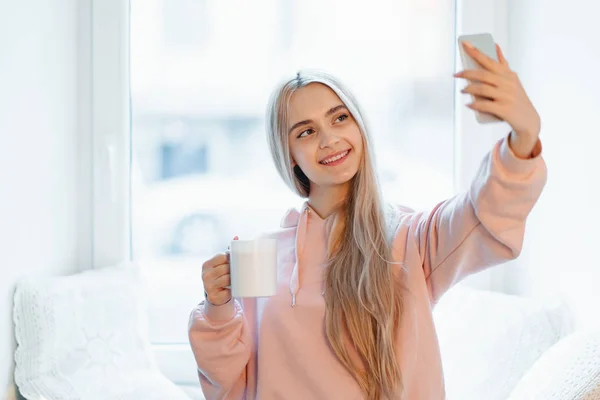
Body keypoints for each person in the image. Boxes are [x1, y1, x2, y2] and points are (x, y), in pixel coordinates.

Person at [188, 42, 546, 400]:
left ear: (359, 125)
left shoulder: (410, 239)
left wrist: (523, 139)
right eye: (306, 131)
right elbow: (228, 383)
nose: (330, 139)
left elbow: (480, 214)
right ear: (290, 154)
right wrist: (217, 306)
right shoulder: (261, 255)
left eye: (339, 117)